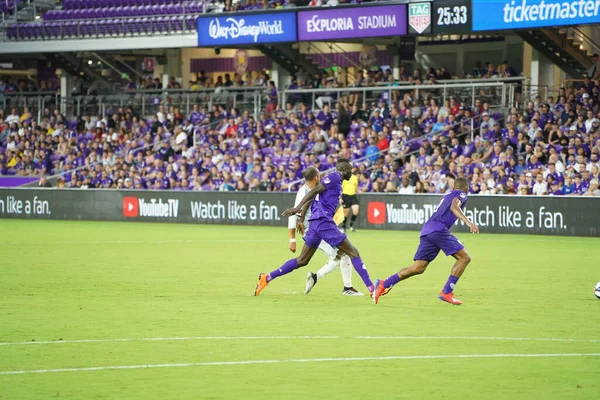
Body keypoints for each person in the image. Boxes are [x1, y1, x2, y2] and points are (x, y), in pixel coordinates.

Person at [254, 158, 374, 296]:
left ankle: (267, 277)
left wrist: (302, 215)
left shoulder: (334, 181)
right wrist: (297, 209)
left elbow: (313, 196)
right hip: (323, 223)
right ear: (345, 170)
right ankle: (372, 289)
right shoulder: (335, 176)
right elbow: (315, 191)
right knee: (353, 252)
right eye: (351, 170)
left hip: (315, 224)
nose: (352, 173)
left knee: (302, 260)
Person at [373, 177, 479, 306]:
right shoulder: (461, 194)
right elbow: (454, 206)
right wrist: (468, 222)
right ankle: (447, 292)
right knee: (464, 258)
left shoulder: (448, 194)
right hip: (438, 230)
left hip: (428, 231)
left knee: (418, 268)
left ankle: (385, 283)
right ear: (467, 189)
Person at [288, 166, 363, 296]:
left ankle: (344, 286)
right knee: (342, 254)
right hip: (315, 229)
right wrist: (292, 239)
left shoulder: (318, 189)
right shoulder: (303, 191)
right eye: (319, 176)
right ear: (316, 177)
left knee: (305, 260)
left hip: (322, 227)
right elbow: (295, 212)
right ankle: (338, 285)